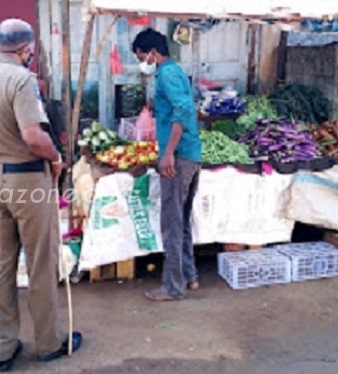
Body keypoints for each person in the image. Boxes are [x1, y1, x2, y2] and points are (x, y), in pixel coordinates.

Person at [0, 18, 82, 372]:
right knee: (41, 264)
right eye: (31, 50)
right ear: (25, 49)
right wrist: (56, 157)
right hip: (27, 180)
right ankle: (49, 343)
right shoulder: (21, 80)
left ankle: (3, 347)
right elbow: (32, 137)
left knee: (1, 266)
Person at [132, 28, 202, 301]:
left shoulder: (168, 74)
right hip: (190, 154)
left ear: (152, 52)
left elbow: (183, 112)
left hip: (180, 156)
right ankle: (189, 276)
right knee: (181, 220)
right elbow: (178, 107)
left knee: (172, 223)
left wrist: (168, 153)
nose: (142, 62)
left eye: (141, 56)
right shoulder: (173, 72)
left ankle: (173, 286)